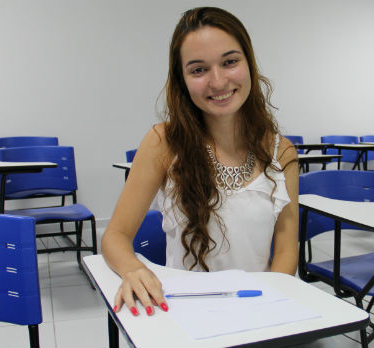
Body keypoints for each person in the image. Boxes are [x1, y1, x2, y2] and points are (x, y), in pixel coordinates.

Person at [101, 6, 299, 317]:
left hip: (259, 309)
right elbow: (115, 236)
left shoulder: (282, 151)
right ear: (182, 80)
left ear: (249, 63)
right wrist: (132, 270)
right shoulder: (163, 142)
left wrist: (269, 306)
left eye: (230, 62)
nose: (218, 81)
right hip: (186, 312)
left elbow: (287, 250)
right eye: (198, 70)